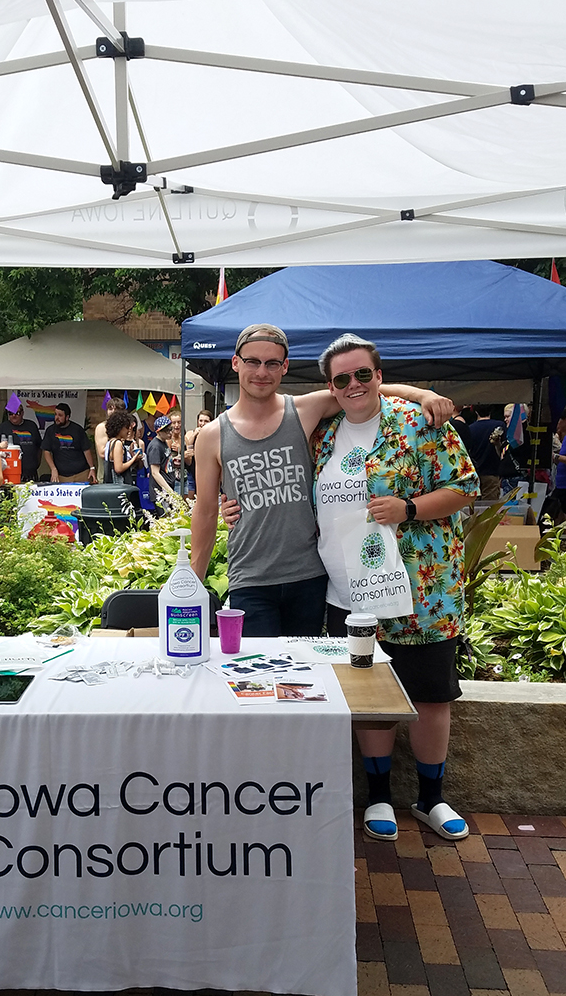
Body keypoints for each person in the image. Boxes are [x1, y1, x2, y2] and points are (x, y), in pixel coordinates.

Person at [311, 334, 479, 842]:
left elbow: (464, 488)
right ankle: (379, 796)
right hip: (350, 594)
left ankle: (431, 799)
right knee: (371, 697)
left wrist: (409, 509)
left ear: (380, 376)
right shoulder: (323, 435)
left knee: (431, 697)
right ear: (331, 387)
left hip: (423, 592)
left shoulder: (418, 424)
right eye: (342, 378)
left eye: (363, 374)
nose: (354, 385)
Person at [190, 322, 452, 636]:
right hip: (251, 578)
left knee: (304, 678)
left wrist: (422, 394)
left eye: (272, 362)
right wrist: (194, 584)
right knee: (258, 677)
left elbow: (361, 389)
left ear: (284, 367)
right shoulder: (212, 435)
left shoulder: (304, 410)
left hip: (309, 577)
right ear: (236, 363)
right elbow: (205, 512)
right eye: (252, 361)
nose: (262, 371)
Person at [41, 403, 96, 483]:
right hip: (61, 476)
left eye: (60, 415)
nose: (57, 418)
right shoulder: (50, 431)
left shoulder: (77, 429)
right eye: (55, 414)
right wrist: (53, 469)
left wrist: (92, 468)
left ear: (67, 417)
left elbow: (86, 450)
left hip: (82, 474)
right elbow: (46, 451)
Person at [462, 404, 506, 500]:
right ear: (491, 410)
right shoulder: (499, 426)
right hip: (492, 473)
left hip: (474, 474)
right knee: (489, 508)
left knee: (473, 507)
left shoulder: (470, 429)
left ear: (475, 411)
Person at [0, 404, 42, 482]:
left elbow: (39, 447)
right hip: (9, 474)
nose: (14, 416)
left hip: (30, 474)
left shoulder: (31, 426)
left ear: (22, 413)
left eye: (17, 413)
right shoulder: (1, 428)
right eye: (10, 413)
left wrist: (36, 464)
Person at [103, 410, 145, 485]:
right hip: (119, 485)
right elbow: (119, 468)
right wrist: (134, 458)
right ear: (120, 428)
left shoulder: (110, 442)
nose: (128, 431)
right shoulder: (118, 443)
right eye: (126, 427)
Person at [146, 415, 177, 510]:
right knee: (166, 519)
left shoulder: (164, 442)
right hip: (161, 492)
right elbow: (155, 472)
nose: (170, 432)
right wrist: (169, 491)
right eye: (166, 430)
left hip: (167, 488)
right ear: (158, 432)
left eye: (170, 429)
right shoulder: (155, 446)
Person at [94, 397, 127, 482]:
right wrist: (118, 444)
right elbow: (102, 453)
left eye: (116, 409)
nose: (113, 411)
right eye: (110, 408)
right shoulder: (102, 427)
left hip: (123, 477)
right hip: (106, 477)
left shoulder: (125, 428)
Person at [184, 409, 213, 498]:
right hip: (192, 469)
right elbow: (188, 445)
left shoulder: (213, 435)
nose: (202, 423)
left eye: (206, 421)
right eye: (201, 420)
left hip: (207, 471)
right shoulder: (190, 433)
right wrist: (195, 434)